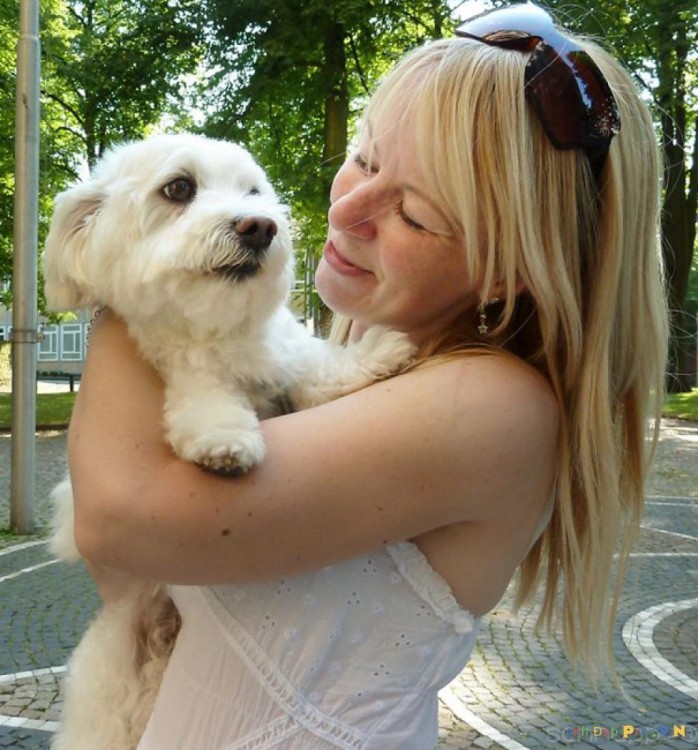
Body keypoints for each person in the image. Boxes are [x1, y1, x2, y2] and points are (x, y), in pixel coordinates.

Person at [68, 4, 668, 748]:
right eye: (365, 156)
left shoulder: (489, 406)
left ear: (507, 274)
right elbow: (131, 574)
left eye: (412, 214)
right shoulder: (346, 363)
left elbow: (118, 521)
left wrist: (119, 268)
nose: (345, 208)